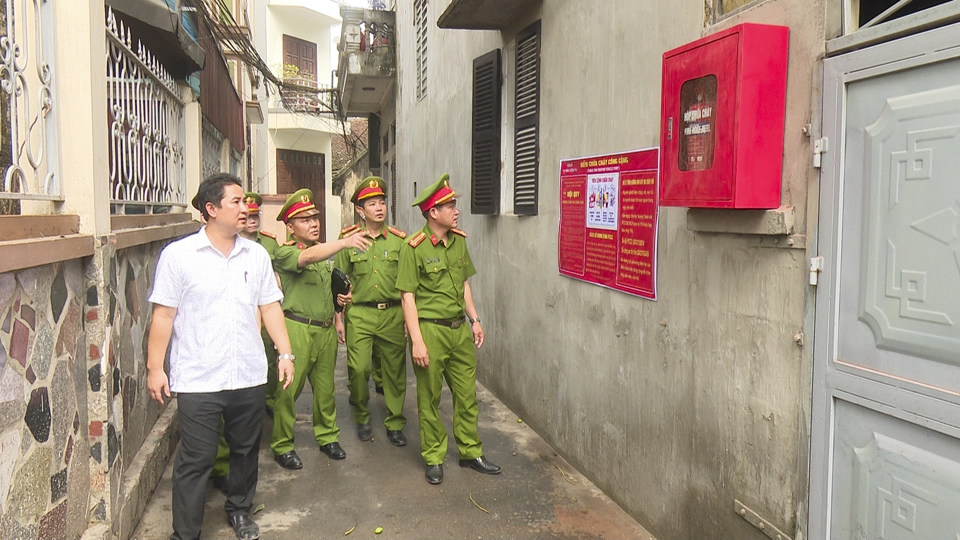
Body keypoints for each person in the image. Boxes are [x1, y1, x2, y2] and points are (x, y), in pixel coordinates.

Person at [146, 173, 295, 540]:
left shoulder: (256, 254)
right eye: (237, 202)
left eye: (245, 202)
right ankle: (186, 532)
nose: (246, 208)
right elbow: (163, 315)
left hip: (247, 374)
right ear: (211, 210)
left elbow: (270, 307)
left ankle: (240, 511)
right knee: (195, 460)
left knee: (246, 451)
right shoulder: (179, 257)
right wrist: (155, 368)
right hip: (200, 378)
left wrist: (285, 353)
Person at [396, 173, 501, 485]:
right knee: (429, 398)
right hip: (430, 331)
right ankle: (433, 456)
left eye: (454, 204)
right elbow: (407, 297)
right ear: (433, 213)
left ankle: (470, 452)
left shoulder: (458, 242)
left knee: (467, 395)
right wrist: (416, 340)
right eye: (450, 205)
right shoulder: (413, 248)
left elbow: (464, 283)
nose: (456, 210)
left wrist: (475, 319)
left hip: (458, 332)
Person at [270, 188, 371, 469]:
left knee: (326, 390)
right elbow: (307, 259)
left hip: (325, 330)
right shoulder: (286, 253)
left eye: (315, 218)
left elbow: (328, 290)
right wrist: (345, 243)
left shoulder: (323, 256)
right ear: (290, 227)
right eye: (305, 220)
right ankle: (282, 444)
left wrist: (340, 309)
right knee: (289, 391)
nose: (314, 223)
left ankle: (327, 437)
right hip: (297, 330)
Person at [210, 192, 282, 494]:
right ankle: (222, 469)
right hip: (221, 343)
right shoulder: (204, 252)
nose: (249, 218)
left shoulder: (264, 249)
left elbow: (270, 300)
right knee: (222, 414)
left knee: (249, 406)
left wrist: (285, 351)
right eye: (243, 212)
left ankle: (240, 493)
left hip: (260, 332)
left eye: (253, 215)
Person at [334, 177, 408, 446]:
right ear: (359, 210)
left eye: (382, 202)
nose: (379, 208)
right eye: (372, 203)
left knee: (394, 371)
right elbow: (339, 281)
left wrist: (408, 321)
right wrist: (338, 317)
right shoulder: (349, 240)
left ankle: (395, 422)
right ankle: (362, 415)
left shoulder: (401, 242)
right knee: (358, 368)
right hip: (360, 315)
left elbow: (407, 286)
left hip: (392, 314)